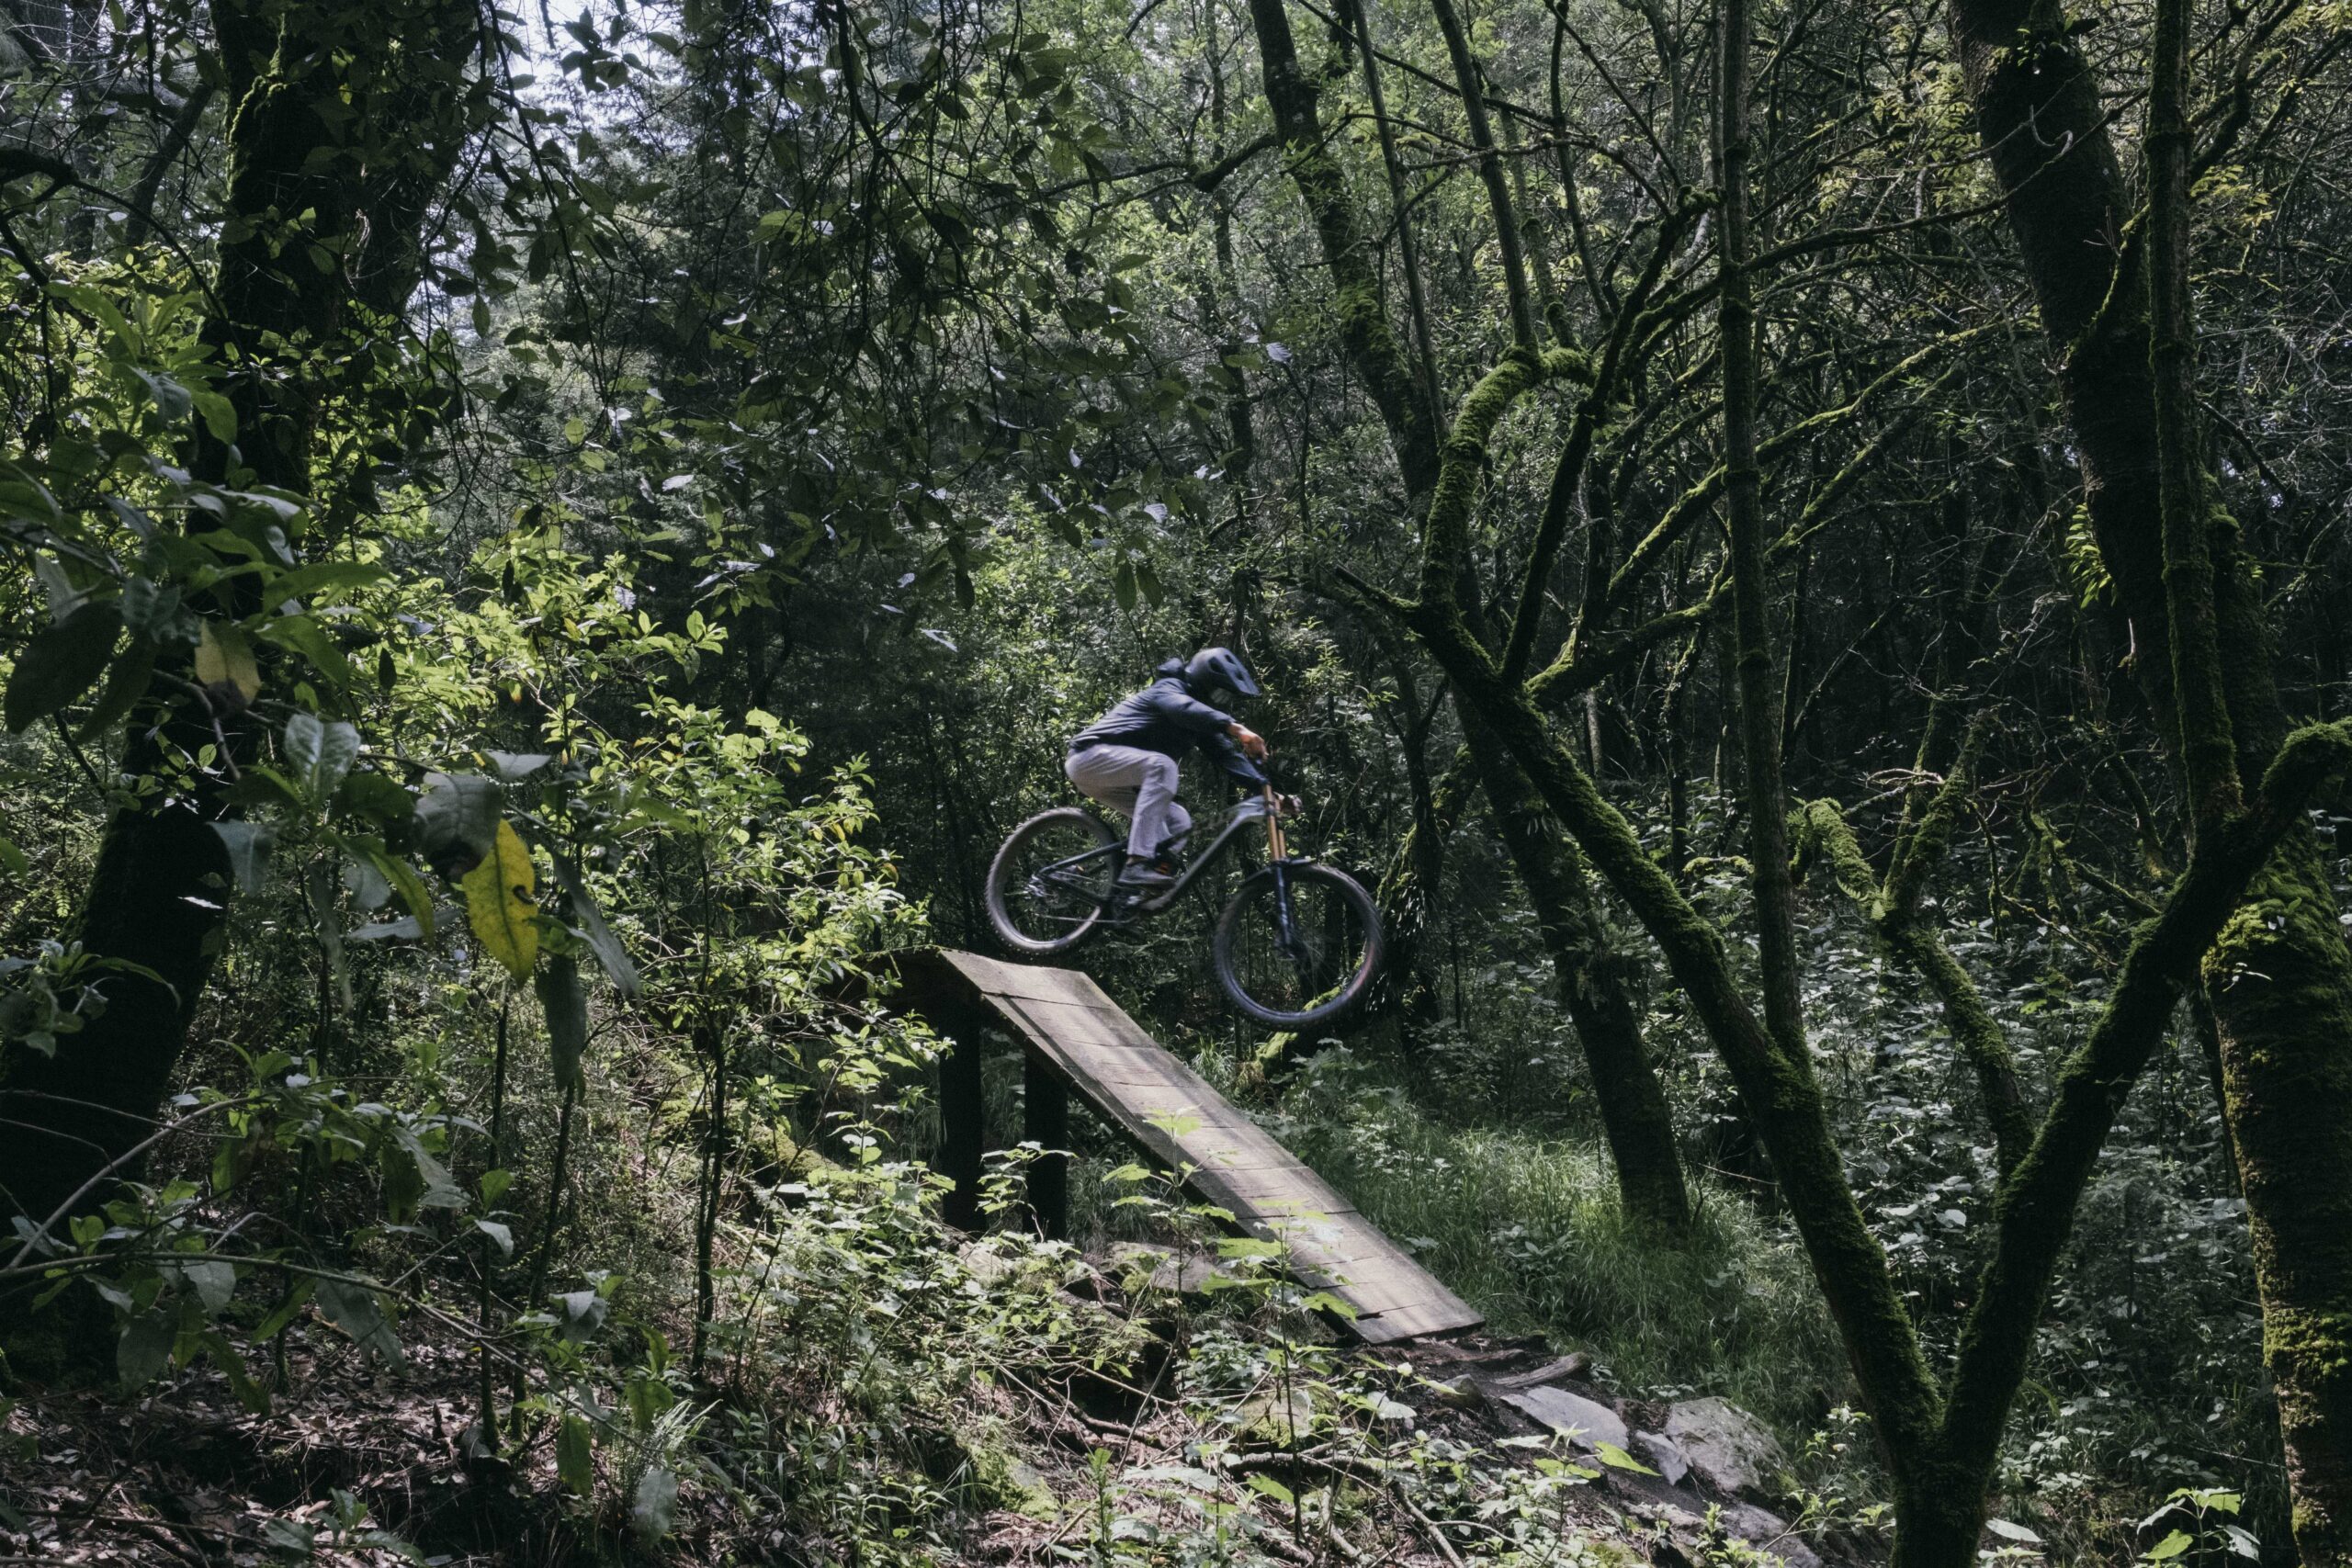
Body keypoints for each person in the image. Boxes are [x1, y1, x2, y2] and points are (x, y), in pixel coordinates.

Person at [1066, 648, 1270, 888]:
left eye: (1225, 698)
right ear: (1203, 680)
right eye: (1218, 693)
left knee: (1179, 821)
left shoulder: (1197, 723)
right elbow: (1181, 707)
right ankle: (1137, 863)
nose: (1220, 701)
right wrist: (1237, 728)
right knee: (1163, 766)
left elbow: (1226, 755)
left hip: (1113, 777)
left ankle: (1133, 892)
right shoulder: (1169, 688)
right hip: (1089, 757)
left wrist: (1265, 789)